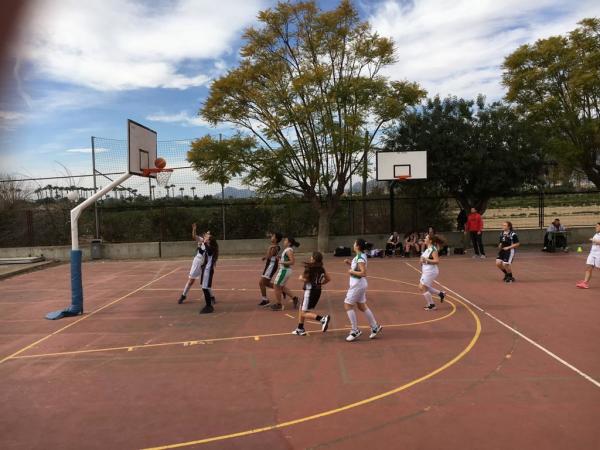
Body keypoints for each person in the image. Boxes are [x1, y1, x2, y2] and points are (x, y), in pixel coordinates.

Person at [343, 238, 382, 342]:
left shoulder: (360, 257)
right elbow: (358, 268)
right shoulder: (360, 256)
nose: (353, 244)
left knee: (347, 305)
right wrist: (349, 263)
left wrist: (351, 271)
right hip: (360, 284)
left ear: (358, 246)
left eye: (354, 243)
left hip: (357, 285)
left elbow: (363, 273)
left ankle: (354, 330)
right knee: (361, 306)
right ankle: (375, 326)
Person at [292, 252, 332, 336]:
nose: (310, 258)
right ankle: (300, 328)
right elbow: (328, 279)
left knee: (303, 312)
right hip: (317, 291)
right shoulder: (322, 268)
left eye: (311, 257)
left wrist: (300, 278)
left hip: (310, 291)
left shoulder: (309, 267)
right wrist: (320, 283)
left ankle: (322, 319)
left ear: (313, 259)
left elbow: (305, 279)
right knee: (301, 308)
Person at [178, 224, 214, 306]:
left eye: (208, 234)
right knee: (191, 280)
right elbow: (194, 236)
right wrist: (194, 229)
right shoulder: (201, 240)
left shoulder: (211, 245)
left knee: (205, 281)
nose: (207, 235)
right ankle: (183, 295)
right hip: (197, 262)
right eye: (206, 234)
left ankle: (212, 297)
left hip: (205, 264)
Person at [270, 236, 300, 311]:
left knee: (276, 285)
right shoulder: (287, 250)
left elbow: (292, 262)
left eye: (286, 240)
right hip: (285, 270)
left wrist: (281, 261)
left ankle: (279, 304)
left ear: (289, 243)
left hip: (284, 270)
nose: (284, 241)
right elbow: (287, 259)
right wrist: (280, 257)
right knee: (281, 287)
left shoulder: (289, 250)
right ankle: (294, 298)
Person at [419, 234, 446, 310]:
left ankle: (432, 305)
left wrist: (426, 260)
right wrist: (421, 261)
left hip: (431, 271)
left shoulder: (433, 249)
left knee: (423, 287)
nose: (424, 239)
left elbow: (437, 261)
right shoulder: (428, 249)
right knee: (422, 287)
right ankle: (440, 294)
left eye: (426, 238)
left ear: (430, 240)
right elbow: (423, 258)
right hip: (426, 270)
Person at [258, 232, 283, 307]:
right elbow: (269, 256)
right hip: (269, 265)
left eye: (273, 236)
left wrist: (268, 253)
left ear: (276, 239)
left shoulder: (275, 247)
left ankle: (265, 300)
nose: (271, 237)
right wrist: (265, 257)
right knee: (265, 283)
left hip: (271, 266)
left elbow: (270, 255)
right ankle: (280, 289)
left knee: (261, 282)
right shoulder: (273, 246)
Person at [198, 233, 219, 313]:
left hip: (208, 270)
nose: (205, 237)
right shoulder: (207, 246)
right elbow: (200, 251)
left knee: (205, 288)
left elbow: (209, 252)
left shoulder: (212, 248)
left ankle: (209, 306)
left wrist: (204, 242)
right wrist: (200, 244)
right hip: (206, 269)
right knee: (204, 287)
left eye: (207, 237)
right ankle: (208, 305)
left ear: (209, 240)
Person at [576, 222, 600, 289]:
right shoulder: (596, 234)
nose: (596, 227)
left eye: (597, 226)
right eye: (596, 226)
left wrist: (594, 240)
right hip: (592, 253)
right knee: (588, 267)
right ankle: (585, 283)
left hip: (599, 254)